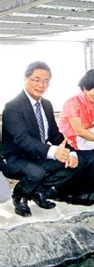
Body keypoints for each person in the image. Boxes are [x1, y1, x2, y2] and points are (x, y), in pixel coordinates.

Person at [1, 61, 78, 217]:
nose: (41, 85)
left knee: (71, 165)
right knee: (37, 172)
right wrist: (52, 151)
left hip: (37, 154)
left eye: (46, 81)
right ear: (26, 79)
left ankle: (38, 192)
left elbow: (55, 134)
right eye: (36, 79)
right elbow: (22, 139)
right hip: (13, 158)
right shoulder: (13, 107)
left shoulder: (47, 105)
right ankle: (20, 195)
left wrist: (71, 153)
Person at [58, 69, 94, 204]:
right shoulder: (73, 103)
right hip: (70, 143)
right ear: (85, 87)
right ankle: (88, 195)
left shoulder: (90, 102)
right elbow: (79, 131)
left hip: (83, 141)